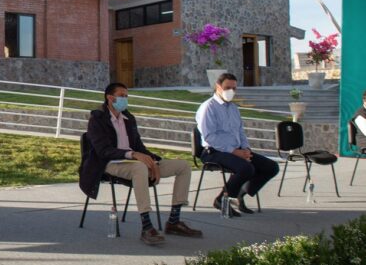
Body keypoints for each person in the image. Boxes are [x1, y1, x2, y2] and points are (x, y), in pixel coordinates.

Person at [81, 82, 203, 245]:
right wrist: (133, 154)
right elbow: (104, 151)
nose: (125, 99)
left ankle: (174, 221)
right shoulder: (97, 119)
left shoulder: (128, 118)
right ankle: (146, 226)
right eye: (121, 96)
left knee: (183, 166)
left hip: (134, 161)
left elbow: (139, 146)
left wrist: (153, 162)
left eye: (126, 96)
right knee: (139, 167)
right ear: (110, 98)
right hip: (109, 163)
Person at [196, 72, 279, 217]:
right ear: (218, 87)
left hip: (237, 150)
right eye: (228, 87)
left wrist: (246, 149)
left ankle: (239, 194)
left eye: (234, 88)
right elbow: (210, 136)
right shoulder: (208, 107)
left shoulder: (233, 108)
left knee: (271, 167)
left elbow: (240, 132)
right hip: (214, 152)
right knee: (246, 169)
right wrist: (235, 152)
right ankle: (222, 199)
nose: (231, 92)